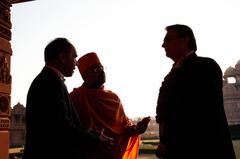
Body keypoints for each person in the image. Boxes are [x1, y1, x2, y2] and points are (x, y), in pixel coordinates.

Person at [22, 38, 113, 159]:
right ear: (62, 57)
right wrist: (96, 141)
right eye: (74, 57)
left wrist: (93, 135)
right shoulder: (50, 83)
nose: (76, 63)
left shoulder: (51, 80)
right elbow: (62, 128)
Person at [155, 24, 236, 159]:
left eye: (168, 39)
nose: (163, 45)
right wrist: (164, 141)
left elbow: (200, 112)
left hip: (202, 150)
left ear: (184, 40)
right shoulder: (173, 74)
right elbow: (164, 111)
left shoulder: (205, 67)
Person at [70, 52, 151, 159]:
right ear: (85, 76)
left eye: (102, 67)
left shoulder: (113, 98)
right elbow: (71, 132)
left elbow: (125, 128)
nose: (101, 71)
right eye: (95, 69)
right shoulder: (75, 98)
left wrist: (137, 129)